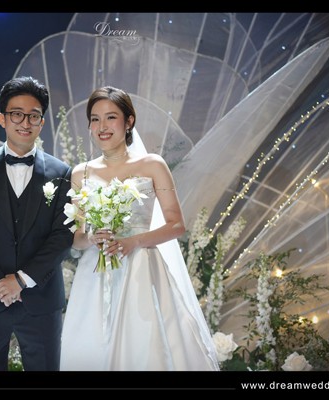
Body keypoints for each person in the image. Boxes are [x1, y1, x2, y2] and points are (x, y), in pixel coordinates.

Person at [59, 86, 220, 371]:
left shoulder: (152, 165)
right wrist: (91, 238)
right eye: (95, 119)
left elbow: (176, 224)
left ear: (129, 121)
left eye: (111, 117)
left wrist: (133, 242)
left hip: (141, 269)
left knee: (146, 348)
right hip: (95, 274)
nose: (102, 126)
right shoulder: (81, 173)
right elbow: (76, 238)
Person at [0, 76, 74, 371]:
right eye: (16, 114)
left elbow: (63, 235)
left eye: (33, 115)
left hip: (42, 301)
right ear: (2, 118)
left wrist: (21, 280)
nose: (25, 122)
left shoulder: (61, 172)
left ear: (42, 122)